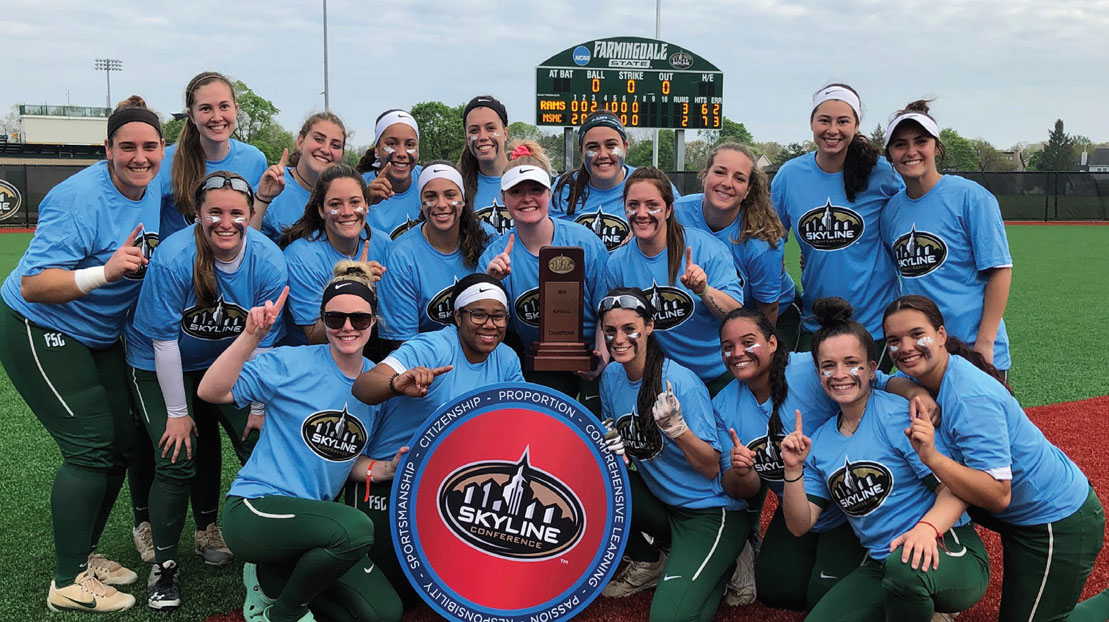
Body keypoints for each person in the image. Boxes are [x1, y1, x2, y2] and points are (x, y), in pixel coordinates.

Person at [0, 95, 164, 613]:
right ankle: (66, 581)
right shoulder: (79, 198)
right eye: (127, 147)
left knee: (121, 440)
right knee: (90, 443)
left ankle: (84, 552)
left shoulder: (157, 177)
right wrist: (107, 272)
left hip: (97, 333)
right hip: (39, 325)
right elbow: (33, 285)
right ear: (107, 150)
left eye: (150, 146)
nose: (140, 157)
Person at [883, 295, 1109, 622]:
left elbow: (998, 495)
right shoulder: (930, 376)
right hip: (1020, 511)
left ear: (942, 335)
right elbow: (877, 380)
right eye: (894, 340)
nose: (905, 347)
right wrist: (912, 391)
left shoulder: (968, 395)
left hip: (1053, 521)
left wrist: (932, 458)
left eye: (917, 334)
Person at [197, 263, 403, 622]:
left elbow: (347, 459)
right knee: (356, 529)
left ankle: (271, 578)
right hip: (257, 509)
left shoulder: (375, 385)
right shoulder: (291, 362)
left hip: (316, 528)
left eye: (359, 318)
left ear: (374, 320)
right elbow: (211, 391)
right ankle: (284, 614)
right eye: (335, 319)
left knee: (383, 613)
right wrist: (251, 337)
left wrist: (386, 468)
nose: (348, 327)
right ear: (323, 320)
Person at [124, 171, 288, 610]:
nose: (226, 222)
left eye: (237, 212)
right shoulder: (176, 256)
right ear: (197, 215)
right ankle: (164, 565)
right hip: (161, 360)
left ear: (250, 214)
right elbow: (162, 341)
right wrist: (179, 412)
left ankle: (262, 550)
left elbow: (262, 344)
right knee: (177, 454)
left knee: (263, 443)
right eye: (214, 212)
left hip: (229, 363)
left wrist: (257, 406)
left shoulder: (268, 260)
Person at [713, 307, 938, 610]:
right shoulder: (724, 404)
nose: (738, 352)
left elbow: (877, 380)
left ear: (772, 343)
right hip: (802, 499)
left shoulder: (810, 368)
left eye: (748, 341)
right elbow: (744, 488)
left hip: (851, 503)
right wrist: (742, 472)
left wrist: (914, 392)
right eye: (728, 347)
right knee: (777, 589)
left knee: (821, 597)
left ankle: (918, 598)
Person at [781, 298, 989, 621]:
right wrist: (792, 471)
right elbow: (799, 524)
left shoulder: (897, 416)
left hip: (946, 546)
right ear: (819, 372)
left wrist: (924, 530)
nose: (840, 375)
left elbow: (954, 489)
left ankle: (936, 610)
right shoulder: (819, 442)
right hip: (884, 564)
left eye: (852, 363)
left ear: (872, 369)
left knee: (905, 573)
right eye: (828, 366)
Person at [349, 273, 524, 609]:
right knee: (390, 600)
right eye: (478, 314)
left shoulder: (507, 360)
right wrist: (396, 383)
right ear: (457, 317)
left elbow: (518, 426)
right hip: (392, 479)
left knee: (461, 593)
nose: (490, 325)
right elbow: (363, 386)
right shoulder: (432, 347)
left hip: (454, 486)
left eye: (498, 315)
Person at [596, 288, 745, 622]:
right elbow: (626, 449)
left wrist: (679, 431)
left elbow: (710, 468)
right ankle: (650, 559)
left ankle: (732, 555)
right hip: (663, 505)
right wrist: (615, 447)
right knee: (593, 476)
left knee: (669, 617)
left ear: (649, 326)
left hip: (708, 512)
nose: (619, 339)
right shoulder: (610, 377)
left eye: (629, 329)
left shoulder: (679, 382)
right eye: (611, 331)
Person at [770, 83, 902, 360]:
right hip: (816, 321)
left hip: (874, 325)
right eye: (824, 120)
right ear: (811, 123)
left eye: (843, 121)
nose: (833, 130)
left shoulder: (881, 174)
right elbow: (772, 242)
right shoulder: (790, 176)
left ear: (856, 126)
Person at [880, 101, 1013, 372]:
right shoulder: (891, 211)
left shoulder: (970, 197)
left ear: (936, 147)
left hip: (974, 349)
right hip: (923, 354)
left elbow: (999, 270)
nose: (911, 151)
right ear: (890, 154)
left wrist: (985, 343)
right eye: (900, 144)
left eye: (921, 141)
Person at [478, 140, 607, 406]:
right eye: (517, 191)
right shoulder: (494, 255)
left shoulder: (584, 242)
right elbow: (485, 325)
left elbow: (604, 308)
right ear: (503, 198)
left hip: (591, 356)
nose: (527, 198)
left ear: (549, 193)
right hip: (535, 361)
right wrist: (491, 284)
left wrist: (602, 358)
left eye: (536, 189)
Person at [604, 166, 742, 395]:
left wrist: (704, 290)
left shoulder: (705, 248)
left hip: (716, 374)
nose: (641, 213)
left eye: (652, 205)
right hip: (662, 379)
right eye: (633, 205)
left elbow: (736, 313)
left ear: (668, 209)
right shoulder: (617, 262)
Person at [673, 142, 798, 343]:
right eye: (720, 172)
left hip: (770, 315)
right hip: (708, 313)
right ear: (704, 176)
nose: (727, 183)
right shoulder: (677, 213)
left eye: (739, 178)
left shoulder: (760, 240)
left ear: (748, 190)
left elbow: (768, 308)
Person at [375, 162, 491, 344]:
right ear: (421, 203)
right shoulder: (400, 256)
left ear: (463, 199)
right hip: (425, 361)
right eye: (431, 196)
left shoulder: (487, 239)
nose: (441, 204)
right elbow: (403, 342)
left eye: (450, 195)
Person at [280, 164, 390, 346]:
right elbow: (313, 337)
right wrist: (354, 283)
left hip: (368, 347)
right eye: (335, 204)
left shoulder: (384, 244)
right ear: (322, 210)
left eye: (355, 202)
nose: (347, 212)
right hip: (316, 354)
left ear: (367, 205)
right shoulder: (301, 258)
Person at [158, 72, 267, 238]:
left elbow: (252, 231)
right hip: (181, 263)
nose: (217, 117)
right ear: (192, 115)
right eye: (206, 109)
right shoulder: (164, 161)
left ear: (236, 109)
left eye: (224, 107)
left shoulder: (255, 160)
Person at [553, 111, 678, 251]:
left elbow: (681, 232)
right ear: (581, 152)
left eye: (611, 145)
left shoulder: (652, 184)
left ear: (625, 147)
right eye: (593, 147)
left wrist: (647, 233)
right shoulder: (561, 190)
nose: (603, 155)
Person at [253, 112, 348, 242]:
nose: (326, 150)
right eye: (319, 139)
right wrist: (263, 199)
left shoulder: (346, 197)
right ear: (300, 142)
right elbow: (247, 245)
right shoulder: (272, 189)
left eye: (335, 145)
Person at [358, 109, 424, 239]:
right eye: (392, 144)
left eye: (410, 144)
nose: (401, 153)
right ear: (377, 149)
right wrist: (365, 202)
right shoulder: (357, 186)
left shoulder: (429, 181)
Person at [458, 95, 514, 235]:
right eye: (474, 130)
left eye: (490, 128)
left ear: (505, 133)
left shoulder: (527, 181)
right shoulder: (458, 187)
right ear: (466, 136)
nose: (483, 137)